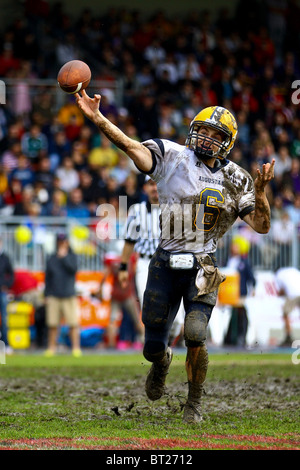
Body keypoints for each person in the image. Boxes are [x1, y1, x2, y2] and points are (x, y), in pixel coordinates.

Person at [76, 91, 275, 424]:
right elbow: (131, 146)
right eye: (203, 130)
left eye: (216, 135)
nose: (207, 138)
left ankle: (193, 403)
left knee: (195, 334)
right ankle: (162, 360)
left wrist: (261, 193)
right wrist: (98, 118)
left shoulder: (238, 178)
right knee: (152, 344)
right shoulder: (173, 156)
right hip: (165, 260)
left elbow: (262, 225)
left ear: (228, 142)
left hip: (204, 265)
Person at [118, 175, 184, 346]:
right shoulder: (137, 211)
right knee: (149, 308)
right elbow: (129, 241)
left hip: (170, 264)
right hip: (145, 264)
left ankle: (166, 341)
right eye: (151, 184)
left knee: (176, 318)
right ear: (145, 188)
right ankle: (157, 347)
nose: (155, 188)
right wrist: (123, 267)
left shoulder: (175, 208)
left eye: (158, 184)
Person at [44, 233, 81, 357]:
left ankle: (76, 348)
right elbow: (48, 278)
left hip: (68, 294)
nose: (61, 244)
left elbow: (73, 269)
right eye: (60, 241)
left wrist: (64, 257)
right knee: (52, 324)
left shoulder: (72, 256)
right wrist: (46, 294)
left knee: (73, 324)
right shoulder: (51, 258)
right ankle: (51, 348)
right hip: (54, 295)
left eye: (63, 241)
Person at [223, 235, 256, 348]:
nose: (233, 247)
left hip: (240, 292)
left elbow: (251, 277)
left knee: (240, 313)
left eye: (236, 245)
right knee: (233, 314)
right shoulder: (228, 260)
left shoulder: (244, 262)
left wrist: (253, 288)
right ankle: (230, 337)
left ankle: (241, 336)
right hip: (229, 292)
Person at [274, 266, 300, 347]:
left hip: (293, 294)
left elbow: (281, 291)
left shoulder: (278, 275)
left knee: (285, 314)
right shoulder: (293, 270)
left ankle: (288, 336)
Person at [0, 237, 14, 354]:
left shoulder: (5, 258)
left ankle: (6, 344)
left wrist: (6, 285)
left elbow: (12, 275)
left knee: (4, 319)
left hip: (1, 291)